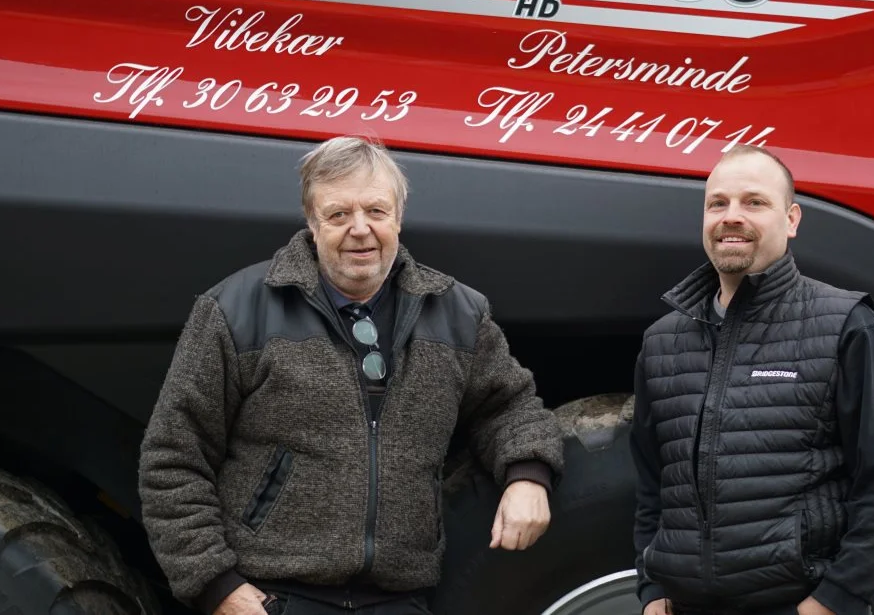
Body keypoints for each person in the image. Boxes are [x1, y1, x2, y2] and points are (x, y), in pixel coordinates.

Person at [138, 135, 564, 615]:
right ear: (311, 222)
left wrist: (528, 475)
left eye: (376, 212)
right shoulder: (234, 310)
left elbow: (509, 407)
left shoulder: (458, 313)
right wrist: (217, 587)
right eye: (338, 214)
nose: (359, 229)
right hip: (272, 599)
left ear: (398, 218)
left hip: (401, 599)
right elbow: (173, 458)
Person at [630, 146, 874, 615]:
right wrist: (652, 589)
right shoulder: (662, 342)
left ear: (791, 219)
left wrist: (834, 601)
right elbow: (653, 485)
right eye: (718, 204)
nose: (732, 217)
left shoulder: (847, 325)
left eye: (754, 202)